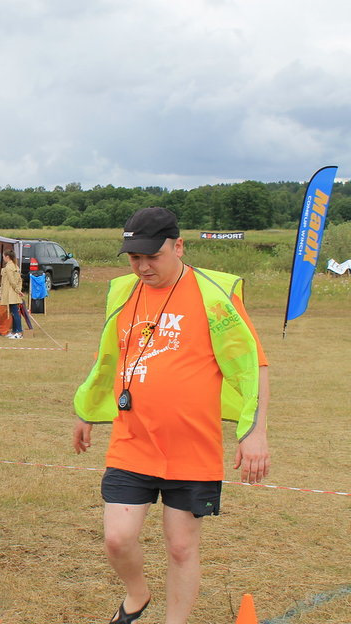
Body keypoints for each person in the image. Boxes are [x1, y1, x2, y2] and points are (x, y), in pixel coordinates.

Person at [71, 207, 270, 624]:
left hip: (192, 448)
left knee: (181, 547)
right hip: (133, 442)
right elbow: (109, 358)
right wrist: (87, 411)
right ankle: (137, 595)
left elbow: (253, 365)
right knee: (117, 539)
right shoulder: (124, 292)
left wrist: (255, 433)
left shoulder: (215, 294)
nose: (143, 266)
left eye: (152, 257)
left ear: (178, 246)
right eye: (134, 258)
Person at [0, 249, 24, 339]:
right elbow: (20, 280)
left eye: (3, 256)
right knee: (14, 313)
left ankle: (19, 332)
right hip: (13, 292)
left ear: (7, 257)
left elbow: (12, 281)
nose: (3, 258)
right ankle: (14, 331)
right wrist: (19, 290)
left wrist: (18, 291)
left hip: (11, 293)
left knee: (15, 313)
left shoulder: (9, 267)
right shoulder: (15, 266)